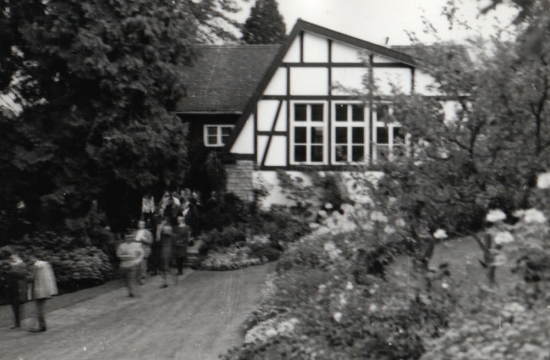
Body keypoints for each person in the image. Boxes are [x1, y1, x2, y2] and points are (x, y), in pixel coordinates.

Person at [28, 257, 58, 332]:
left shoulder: (35, 267)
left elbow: (32, 278)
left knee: (39, 309)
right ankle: (39, 325)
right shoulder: (46, 265)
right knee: (40, 308)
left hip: (38, 290)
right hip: (46, 289)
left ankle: (42, 326)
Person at [116, 232, 144, 298]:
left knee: (133, 278)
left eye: (130, 237)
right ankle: (130, 292)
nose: (129, 239)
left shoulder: (136, 245)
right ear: (125, 238)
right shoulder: (121, 246)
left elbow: (141, 254)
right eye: (127, 237)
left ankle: (134, 292)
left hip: (134, 264)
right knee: (127, 280)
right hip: (125, 264)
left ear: (132, 237)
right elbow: (119, 255)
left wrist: (138, 260)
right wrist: (126, 256)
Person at [7, 253, 27, 329]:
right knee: (14, 306)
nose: (11, 260)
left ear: (17, 257)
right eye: (11, 258)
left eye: (13, 258)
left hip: (19, 288)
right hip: (12, 288)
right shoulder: (11, 265)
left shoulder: (21, 264)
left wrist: (13, 269)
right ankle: (17, 323)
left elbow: (23, 274)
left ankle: (20, 322)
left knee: (20, 305)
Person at [156, 218, 177, 288]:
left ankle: (166, 282)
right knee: (167, 266)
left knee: (165, 266)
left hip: (166, 250)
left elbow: (158, 237)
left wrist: (160, 227)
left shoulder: (167, 230)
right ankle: (172, 281)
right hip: (167, 249)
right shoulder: (169, 230)